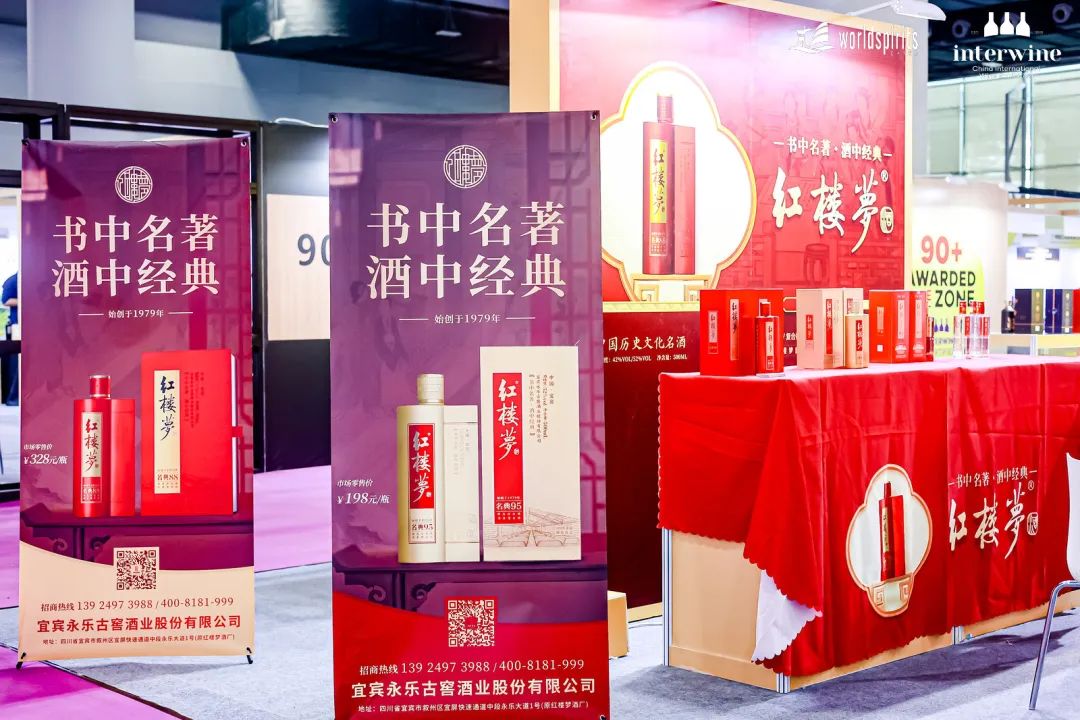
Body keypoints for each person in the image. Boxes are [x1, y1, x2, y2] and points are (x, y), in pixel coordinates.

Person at [2, 272, 17, 406]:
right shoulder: (12, 280)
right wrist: (25, 300)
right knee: (15, 362)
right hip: (16, 326)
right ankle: (12, 397)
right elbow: (5, 300)